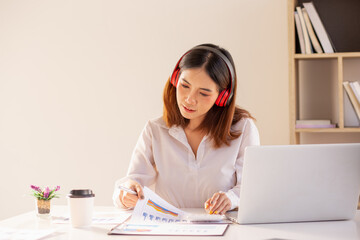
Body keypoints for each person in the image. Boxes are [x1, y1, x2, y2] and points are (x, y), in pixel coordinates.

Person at [113, 43, 260, 215]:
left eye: (203, 93)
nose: (189, 99)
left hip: (224, 229)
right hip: (171, 229)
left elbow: (252, 189)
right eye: (184, 86)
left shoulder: (243, 129)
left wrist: (231, 199)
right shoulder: (155, 129)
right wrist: (125, 193)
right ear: (175, 80)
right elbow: (131, 183)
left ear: (222, 97)